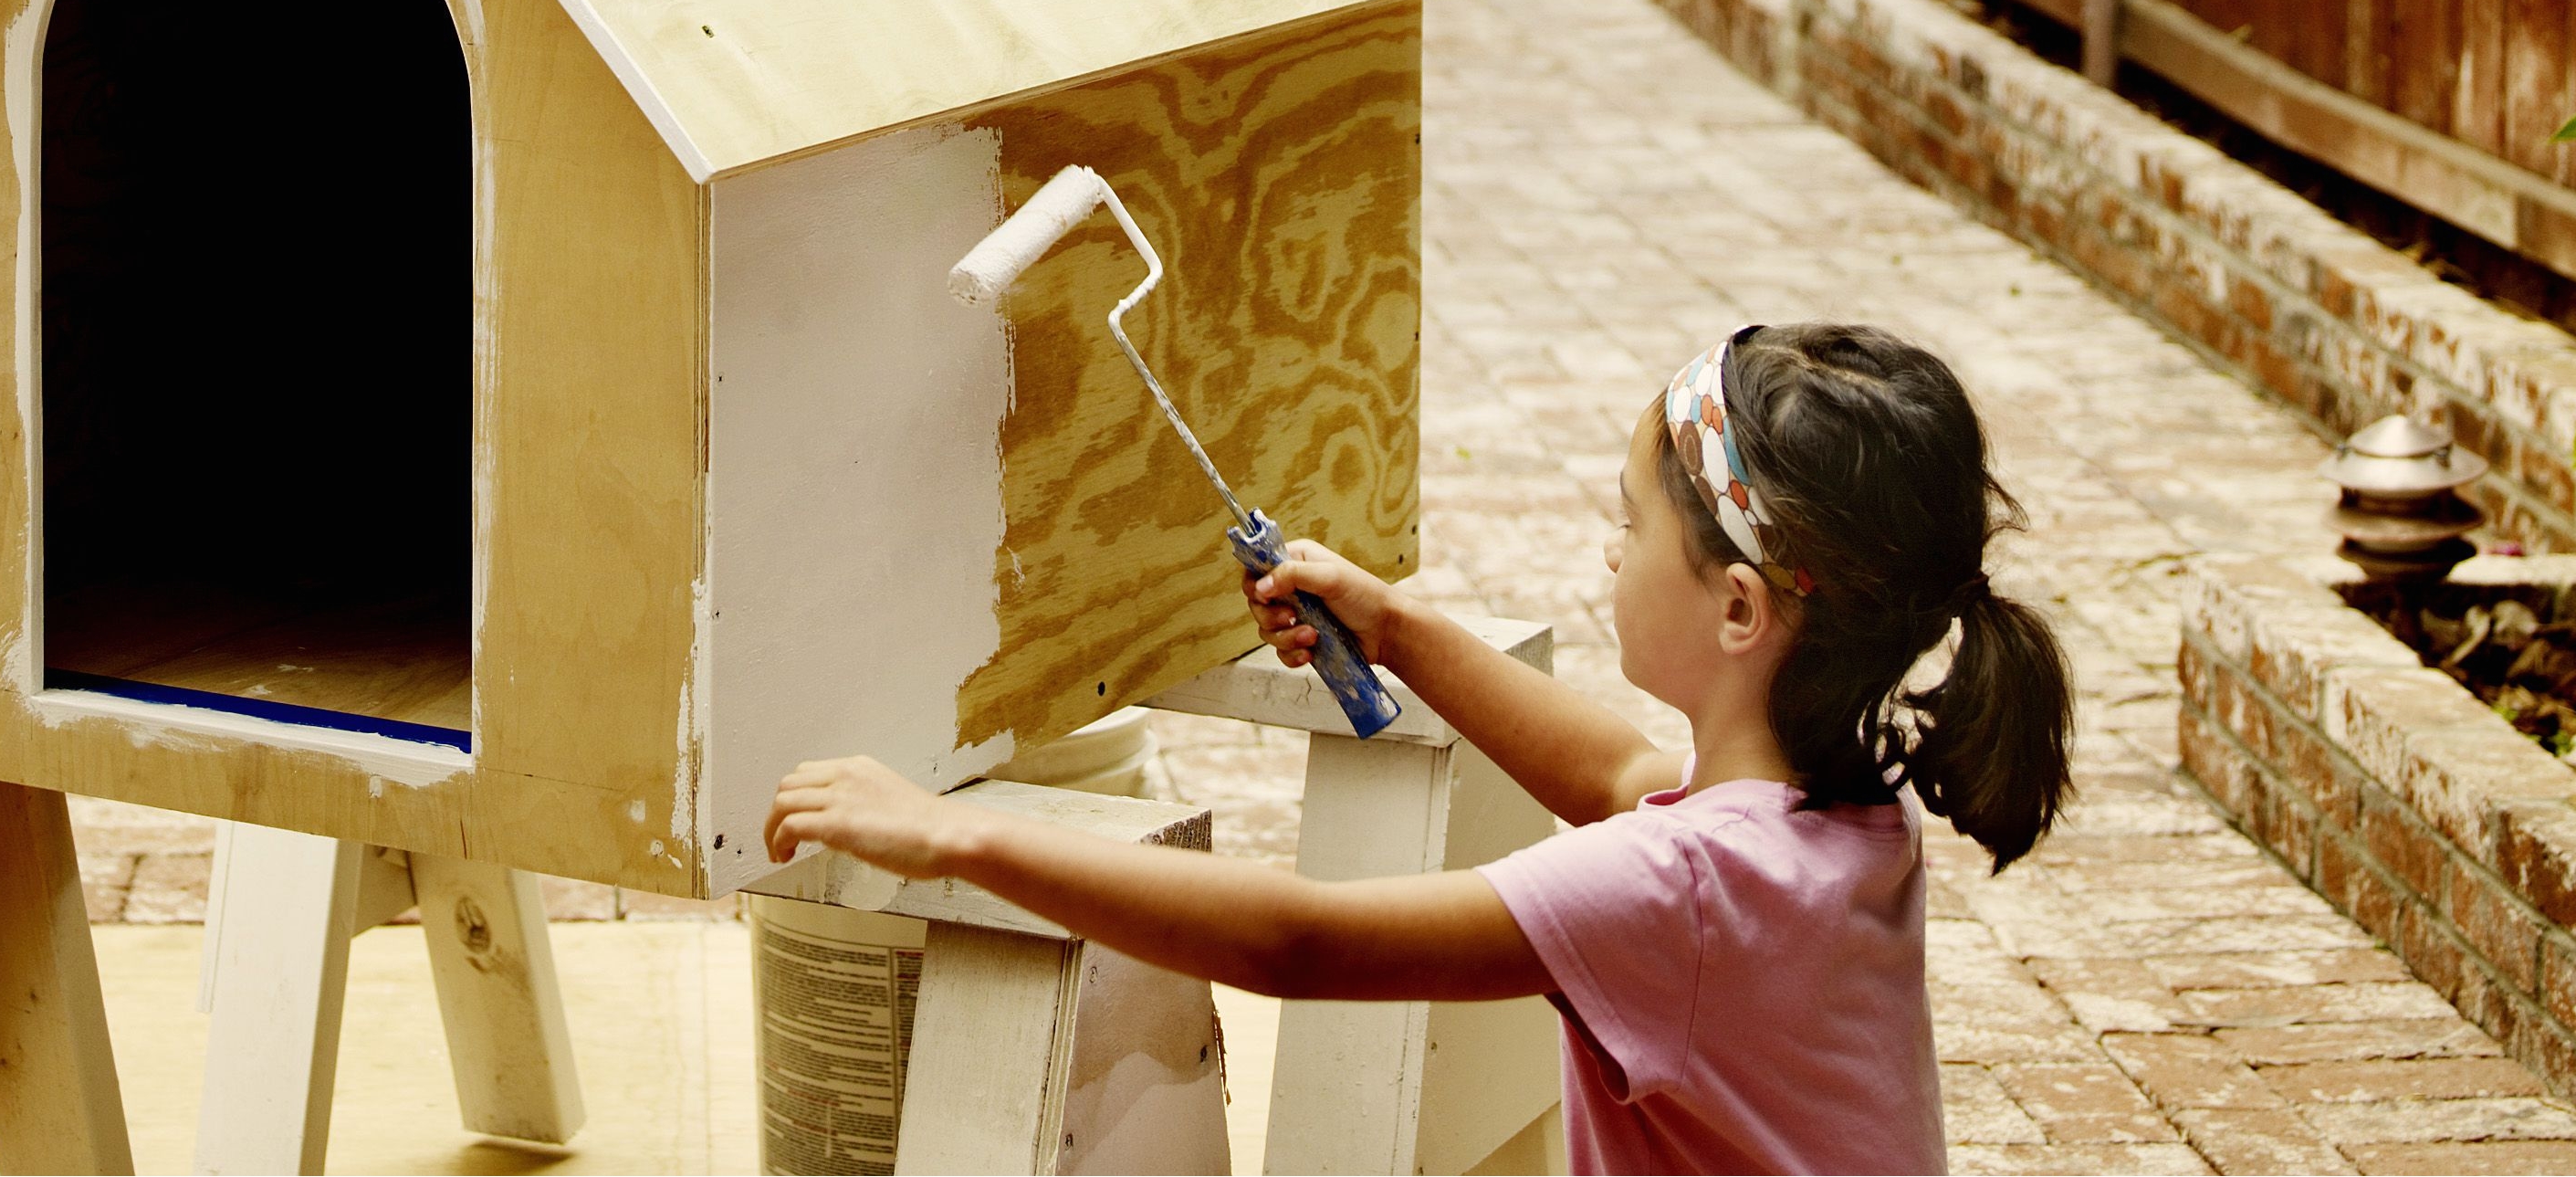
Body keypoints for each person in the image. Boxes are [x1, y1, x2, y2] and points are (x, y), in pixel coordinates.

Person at [767, 322, 2072, 1177]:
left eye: (1632, 525)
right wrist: (1394, 627)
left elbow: (1303, 940)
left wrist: (962, 834)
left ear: (1739, 608)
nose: (1610, 550)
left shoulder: (1679, 893)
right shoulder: (1837, 817)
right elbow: (1618, 780)